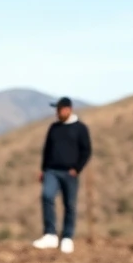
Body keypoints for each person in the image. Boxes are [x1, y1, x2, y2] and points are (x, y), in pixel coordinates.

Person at [33, 97, 91, 254]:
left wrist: (77, 168)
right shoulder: (54, 128)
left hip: (69, 172)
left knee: (69, 204)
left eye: (59, 110)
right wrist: (43, 169)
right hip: (52, 170)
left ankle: (67, 237)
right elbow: (47, 149)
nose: (57, 113)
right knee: (47, 196)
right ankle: (50, 234)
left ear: (68, 109)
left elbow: (86, 151)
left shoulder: (80, 129)